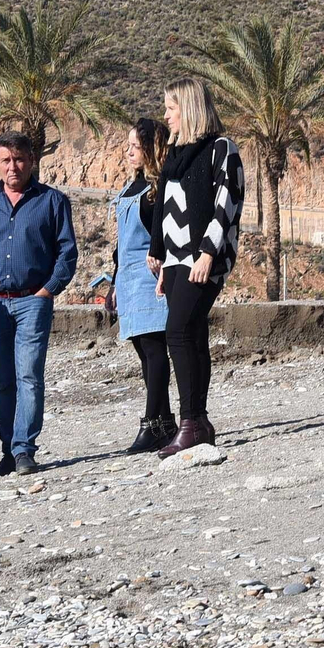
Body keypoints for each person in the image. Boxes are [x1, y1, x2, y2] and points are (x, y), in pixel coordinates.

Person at [0, 132, 78, 477]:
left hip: (33, 303)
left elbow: (67, 251)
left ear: (32, 160)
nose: (13, 167)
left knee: (29, 376)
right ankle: (7, 451)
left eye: (19, 159)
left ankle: (25, 450)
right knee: (3, 381)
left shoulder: (52, 201)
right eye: (6, 161)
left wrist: (48, 290)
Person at [146, 78, 246, 457]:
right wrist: (163, 262)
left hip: (203, 259)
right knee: (193, 336)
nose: (166, 116)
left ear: (188, 108)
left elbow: (227, 204)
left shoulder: (222, 149)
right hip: (176, 263)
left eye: (171, 108)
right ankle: (200, 423)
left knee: (178, 332)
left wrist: (207, 253)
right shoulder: (176, 155)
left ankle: (189, 422)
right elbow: (166, 211)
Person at [109, 118, 175, 453]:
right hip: (128, 279)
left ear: (150, 150)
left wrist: (158, 254)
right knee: (142, 352)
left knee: (154, 349)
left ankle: (153, 423)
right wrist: (114, 283)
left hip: (151, 279)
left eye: (136, 146)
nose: (129, 152)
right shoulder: (130, 187)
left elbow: (168, 230)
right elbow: (121, 243)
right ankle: (164, 420)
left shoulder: (157, 190)